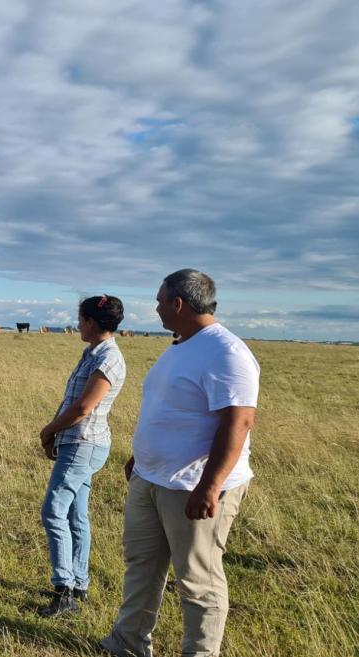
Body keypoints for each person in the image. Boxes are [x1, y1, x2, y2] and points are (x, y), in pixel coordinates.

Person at [100, 269, 259, 657]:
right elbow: (172, 409)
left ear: (178, 303)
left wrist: (209, 485)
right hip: (152, 479)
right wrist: (143, 457)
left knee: (197, 579)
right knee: (142, 565)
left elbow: (238, 422)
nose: (155, 308)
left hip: (194, 486)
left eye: (159, 300)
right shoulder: (181, 345)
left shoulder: (227, 351)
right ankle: (128, 642)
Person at [38, 295, 127, 616]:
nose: (77, 324)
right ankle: (79, 582)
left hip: (83, 443)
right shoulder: (93, 354)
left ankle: (64, 591)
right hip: (77, 442)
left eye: (81, 319)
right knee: (76, 515)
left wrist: (48, 430)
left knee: (53, 512)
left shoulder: (108, 359)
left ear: (91, 321)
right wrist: (55, 432)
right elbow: (74, 404)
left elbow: (83, 407)